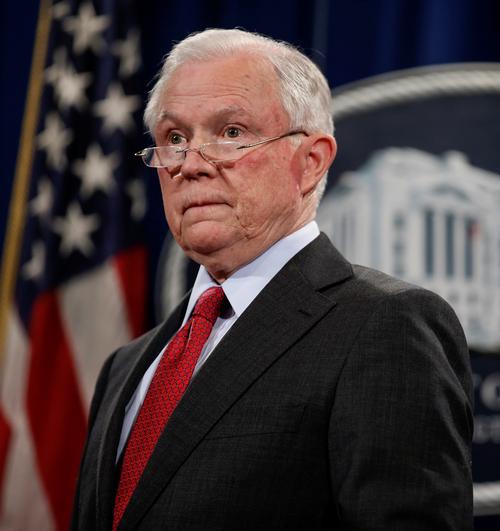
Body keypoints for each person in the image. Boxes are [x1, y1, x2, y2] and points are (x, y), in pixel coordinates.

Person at [70, 28, 473, 531]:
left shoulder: (385, 327)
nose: (190, 165)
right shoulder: (126, 366)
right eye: (174, 139)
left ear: (310, 162)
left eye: (231, 132)